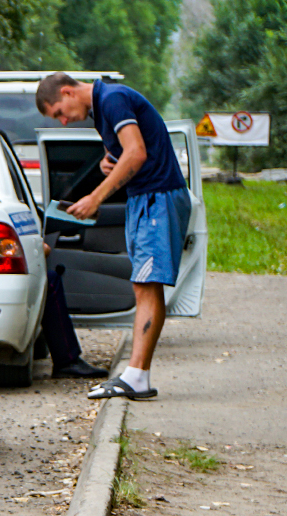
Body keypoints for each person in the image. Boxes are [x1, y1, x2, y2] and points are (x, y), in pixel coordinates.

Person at [36, 72, 190, 400]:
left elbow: (137, 153)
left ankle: (136, 377)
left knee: (147, 285)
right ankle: (136, 375)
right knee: (144, 285)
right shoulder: (102, 109)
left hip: (157, 197)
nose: (62, 122)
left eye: (58, 112)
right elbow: (128, 152)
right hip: (144, 198)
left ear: (67, 91)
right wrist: (111, 162)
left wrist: (96, 197)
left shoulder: (112, 99)